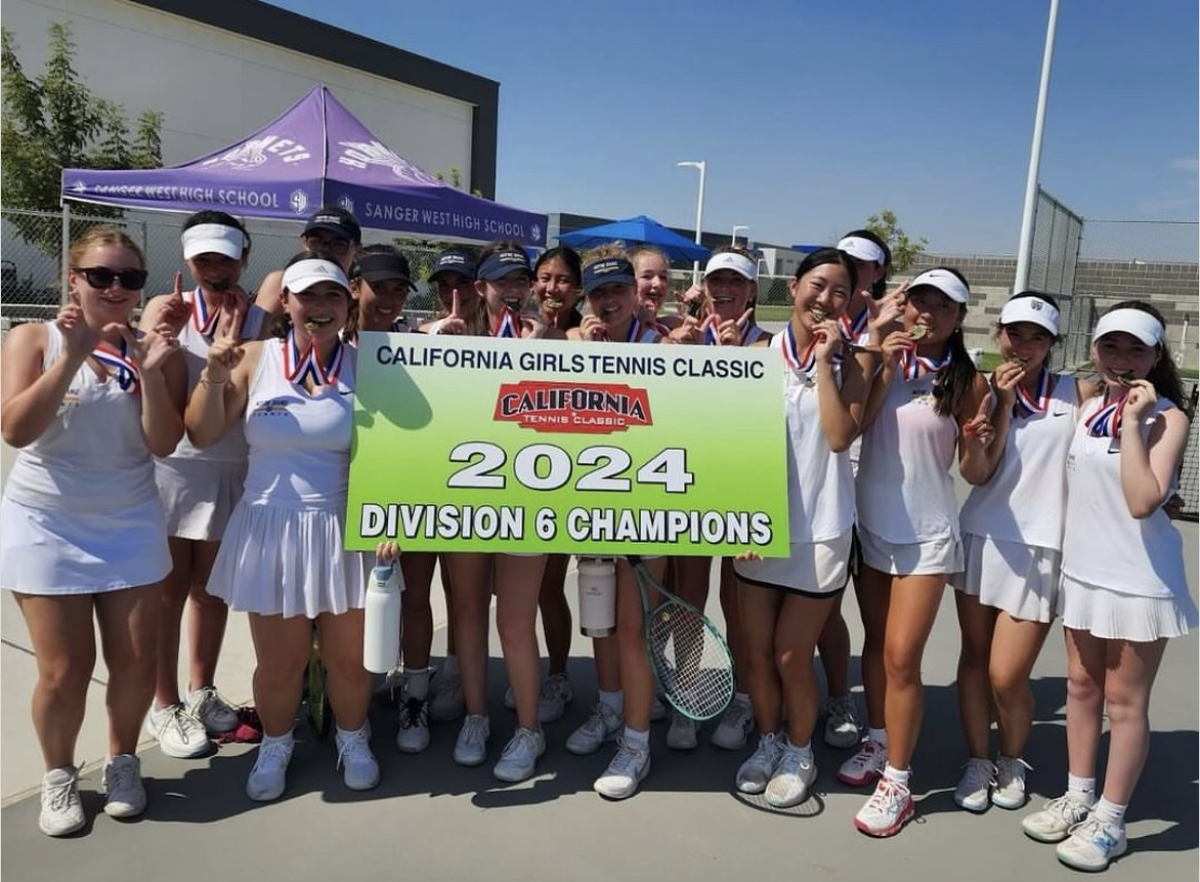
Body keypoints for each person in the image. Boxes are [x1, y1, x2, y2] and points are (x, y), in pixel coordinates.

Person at [0, 227, 186, 836]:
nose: (114, 288)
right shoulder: (34, 338)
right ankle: (59, 776)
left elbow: (163, 443)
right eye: (100, 275)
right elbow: (15, 429)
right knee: (64, 668)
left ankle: (123, 761)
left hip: (130, 518)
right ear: (72, 279)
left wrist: (153, 373)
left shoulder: (153, 349)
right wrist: (75, 353)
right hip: (46, 521)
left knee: (136, 659)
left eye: (128, 279)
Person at [187, 251, 379, 801]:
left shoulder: (367, 365)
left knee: (349, 658)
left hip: (344, 528)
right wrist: (213, 375)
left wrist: (387, 518)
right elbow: (201, 433)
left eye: (332, 296)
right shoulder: (253, 357)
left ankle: (353, 736)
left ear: (347, 306)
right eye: (308, 296)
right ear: (287, 303)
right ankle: (276, 742)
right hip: (269, 528)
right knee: (280, 662)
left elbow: (397, 451)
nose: (320, 306)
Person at [1021, 303, 1197, 872]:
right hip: (1084, 572)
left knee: (1124, 704)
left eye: (1136, 350)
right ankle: (1078, 794)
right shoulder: (1087, 402)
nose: (1122, 361)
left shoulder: (1167, 417)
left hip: (1139, 580)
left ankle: (1111, 820)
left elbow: (1144, 499)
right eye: (1111, 348)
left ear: (1156, 356)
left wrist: (1131, 426)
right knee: (1080, 689)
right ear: (1095, 350)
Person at [848, 267, 995, 837]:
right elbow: (851, 428)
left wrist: (982, 442)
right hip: (871, 528)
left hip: (928, 539)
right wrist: (878, 355)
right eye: (918, 301)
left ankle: (900, 783)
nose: (926, 313)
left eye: (942, 306)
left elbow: (974, 473)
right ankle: (880, 739)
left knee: (903, 659)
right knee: (877, 646)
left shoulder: (967, 381)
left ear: (960, 317)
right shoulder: (880, 358)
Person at [732, 248, 870, 807]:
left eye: (840, 291)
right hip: (758, 527)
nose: (826, 300)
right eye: (818, 286)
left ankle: (799, 750)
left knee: (793, 654)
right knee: (757, 653)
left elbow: (840, 437)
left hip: (823, 530)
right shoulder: (754, 355)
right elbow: (729, 442)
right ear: (793, 287)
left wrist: (828, 362)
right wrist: (735, 516)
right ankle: (767, 742)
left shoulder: (856, 365)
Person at [139, 211, 268, 760]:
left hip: (232, 469)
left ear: (243, 257)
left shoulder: (263, 318)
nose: (214, 267)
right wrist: (154, 335)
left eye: (225, 255)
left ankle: (201, 691)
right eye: (203, 256)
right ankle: (163, 703)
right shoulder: (167, 314)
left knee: (211, 591)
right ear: (188, 259)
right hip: (171, 469)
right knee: (167, 593)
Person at [950, 292, 1080, 813]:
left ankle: (1012, 758)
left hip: (1041, 548)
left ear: (1051, 345)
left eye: (1037, 337)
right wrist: (994, 417)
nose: (1023, 345)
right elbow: (976, 474)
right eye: (1015, 333)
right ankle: (979, 760)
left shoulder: (1078, 392)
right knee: (975, 661)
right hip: (982, 537)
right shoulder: (982, 390)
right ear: (1000, 334)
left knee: (1008, 673)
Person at [437, 242, 553, 782]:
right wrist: (446, 352)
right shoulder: (449, 337)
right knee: (466, 611)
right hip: (465, 496)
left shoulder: (555, 339)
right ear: (479, 287)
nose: (512, 288)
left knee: (514, 619)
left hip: (529, 498)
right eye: (499, 279)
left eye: (520, 279)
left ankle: (529, 729)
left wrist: (546, 351)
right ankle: (478, 717)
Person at [563, 246, 670, 800]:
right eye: (598, 292)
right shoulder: (576, 345)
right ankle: (608, 709)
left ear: (636, 292)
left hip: (648, 511)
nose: (609, 301)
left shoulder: (665, 348)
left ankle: (637, 742)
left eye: (617, 290)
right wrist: (581, 353)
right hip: (592, 508)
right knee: (600, 621)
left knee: (634, 629)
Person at [666, 248, 767, 754]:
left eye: (736, 281)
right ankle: (686, 695)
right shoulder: (681, 340)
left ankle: (744, 699)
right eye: (716, 281)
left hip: (746, 485)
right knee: (689, 598)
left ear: (752, 290)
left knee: (740, 603)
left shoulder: (769, 347)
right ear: (703, 287)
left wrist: (743, 363)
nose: (724, 289)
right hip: (690, 483)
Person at [345, 245, 443, 753]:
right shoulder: (330, 347)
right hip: (340, 495)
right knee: (346, 607)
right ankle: (348, 706)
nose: (387, 298)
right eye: (377, 287)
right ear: (354, 285)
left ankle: (416, 699)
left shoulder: (419, 346)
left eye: (398, 289)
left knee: (416, 598)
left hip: (405, 495)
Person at [818, 230, 893, 751]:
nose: (854, 272)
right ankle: (835, 697)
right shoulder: (817, 330)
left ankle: (863, 711)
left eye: (863, 266)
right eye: (846, 265)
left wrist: (878, 349)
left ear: (877, 275)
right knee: (822, 606)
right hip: (819, 482)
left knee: (873, 618)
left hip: (873, 488)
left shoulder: (893, 332)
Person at [415, 246, 479, 723]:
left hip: (475, 490)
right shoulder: (419, 334)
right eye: (444, 284)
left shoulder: (509, 338)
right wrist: (435, 338)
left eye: (463, 283)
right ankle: (415, 688)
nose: (452, 293)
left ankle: (456, 674)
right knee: (415, 593)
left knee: (464, 597)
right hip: (423, 485)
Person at [256, 206, 362, 313]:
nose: (324, 250)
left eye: (338, 245)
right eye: (316, 242)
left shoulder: (363, 293)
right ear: (304, 243)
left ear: (357, 249)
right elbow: (255, 328)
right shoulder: (281, 282)